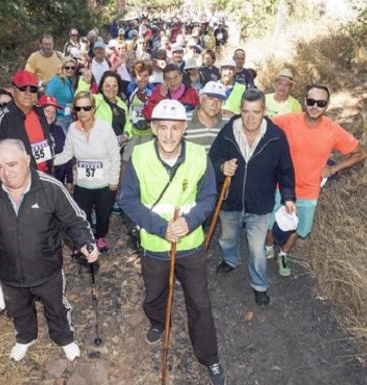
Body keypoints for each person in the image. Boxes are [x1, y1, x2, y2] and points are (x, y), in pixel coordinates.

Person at [119, 99, 225, 385]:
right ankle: (157, 322)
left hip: (190, 244)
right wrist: (160, 227)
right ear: (153, 128)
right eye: (163, 127)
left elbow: (208, 198)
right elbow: (127, 200)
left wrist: (188, 222)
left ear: (184, 129)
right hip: (154, 244)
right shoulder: (139, 156)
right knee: (154, 294)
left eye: (175, 128)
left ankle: (209, 356)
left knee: (200, 302)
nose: (169, 134)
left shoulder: (199, 156)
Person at [0, 139, 100, 362]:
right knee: (18, 308)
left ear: (27, 161)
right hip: (9, 270)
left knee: (56, 307)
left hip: (47, 269)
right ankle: (25, 337)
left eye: (12, 164)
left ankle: (64, 338)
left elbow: (75, 221)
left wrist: (84, 242)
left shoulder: (50, 187)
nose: (6, 173)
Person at [266, 84, 366, 275]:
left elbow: (360, 153)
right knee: (271, 222)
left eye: (320, 103)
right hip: (281, 185)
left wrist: (334, 168)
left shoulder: (333, 130)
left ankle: (284, 255)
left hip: (309, 191)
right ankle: (269, 249)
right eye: (311, 101)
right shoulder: (287, 121)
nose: (315, 106)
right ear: (304, 101)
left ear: (326, 106)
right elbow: (261, 127)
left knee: (296, 227)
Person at [209, 88, 295, 306]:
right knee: (228, 237)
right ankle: (230, 260)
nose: (250, 117)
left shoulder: (276, 137)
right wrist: (222, 166)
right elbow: (213, 157)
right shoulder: (228, 132)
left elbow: (285, 171)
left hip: (259, 205)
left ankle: (259, 285)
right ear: (240, 110)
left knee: (257, 250)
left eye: (256, 112)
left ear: (264, 111)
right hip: (230, 201)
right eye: (246, 111)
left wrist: (288, 197)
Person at [53, 91, 121, 253]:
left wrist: (114, 181)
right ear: (75, 111)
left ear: (93, 109)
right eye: (79, 108)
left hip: (104, 183)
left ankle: (100, 237)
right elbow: (67, 154)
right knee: (82, 215)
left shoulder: (105, 129)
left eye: (87, 108)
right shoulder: (72, 129)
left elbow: (115, 156)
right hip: (83, 184)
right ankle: (84, 242)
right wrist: (48, 160)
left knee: (103, 214)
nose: (83, 112)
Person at [0, 70, 53, 179]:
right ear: (13, 91)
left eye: (32, 89)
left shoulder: (40, 114)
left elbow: (46, 150)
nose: (28, 94)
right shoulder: (1, 119)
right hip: (16, 186)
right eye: (23, 89)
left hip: (43, 182)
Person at [38, 96, 73, 191]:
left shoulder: (59, 130)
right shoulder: (34, 132)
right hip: (40, 184)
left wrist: (69, 179)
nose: (51, 114)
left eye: (53, 112)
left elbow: (67, 154)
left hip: (59, 182)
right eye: (47, 111)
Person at [124, 60, 155, 160]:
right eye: (139, 75)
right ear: (134, 76)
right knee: (127, 159)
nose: (142, 78)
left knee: (147, 160)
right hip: (133, 131)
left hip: (148, 133)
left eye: (145, 75)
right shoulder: (130, 89)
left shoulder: (153, 91)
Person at [184, 81, 227, 152]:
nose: (215, 104)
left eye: (219, 100)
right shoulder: (183, 120)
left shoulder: (228, 123)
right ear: (201, 99)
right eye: (210, 98)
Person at [45, 57, 78, 129]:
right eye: (67, 67)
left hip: (69, 118)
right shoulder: (56, 80)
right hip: (59, 120)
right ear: (62, 68)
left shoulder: (69, 81)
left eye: (72, 68)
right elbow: (47, 99)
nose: (70, 70)